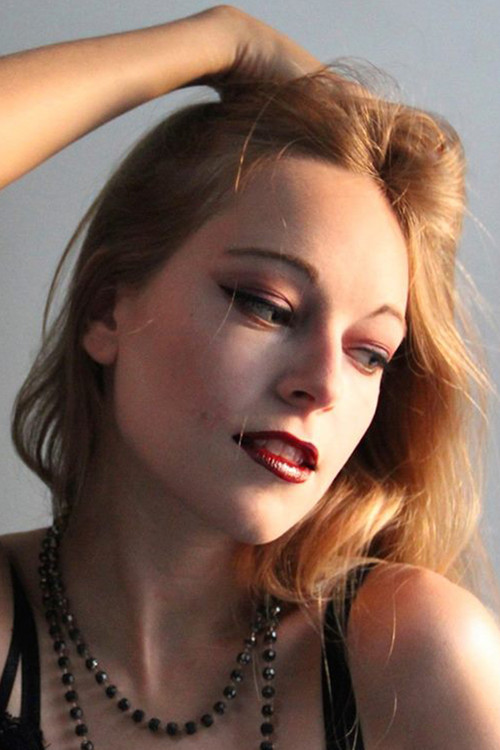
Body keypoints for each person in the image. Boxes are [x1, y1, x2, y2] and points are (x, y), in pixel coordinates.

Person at [1, 5, 500, 749]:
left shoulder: (414, 658)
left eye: (370, 353)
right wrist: (218, 41)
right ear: (106, 311)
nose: (324, 385)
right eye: (268, 306)